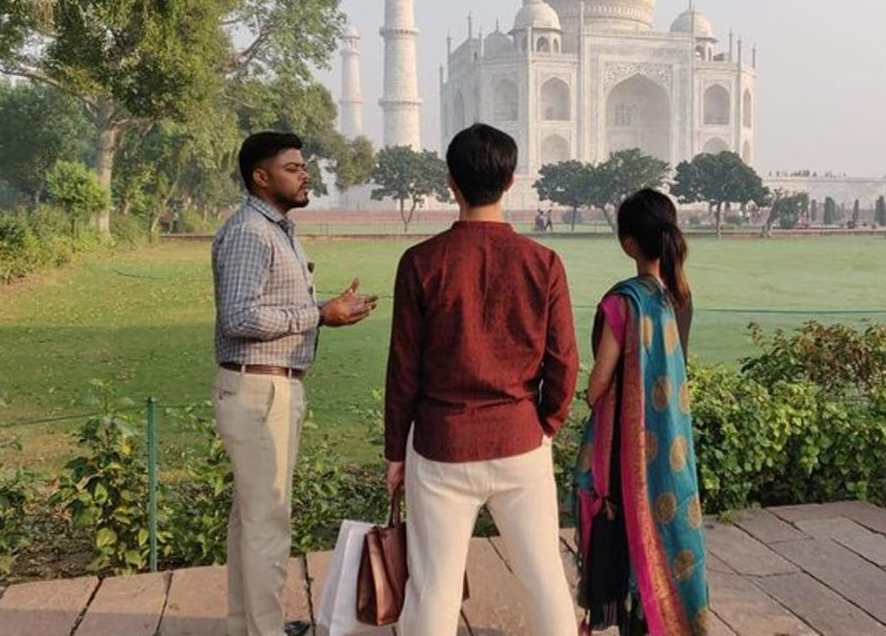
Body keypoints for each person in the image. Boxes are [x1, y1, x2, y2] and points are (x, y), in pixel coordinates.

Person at [385, 123, 579, 636]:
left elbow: (404, 369)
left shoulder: (422, 263)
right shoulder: (543, 263)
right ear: (512, 180)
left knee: (434, 587)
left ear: (451, 181)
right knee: (544, 579)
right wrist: (547, 425)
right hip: (519, 441)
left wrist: (394, 452)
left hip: (443, 444)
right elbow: (564, 361)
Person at [212, 132, 378, 636]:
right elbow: (238, 316)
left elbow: (266, 305)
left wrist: (321, 311)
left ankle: (250, 627)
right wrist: (318, 314)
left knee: (252, 520)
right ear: (261, 177)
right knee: (267, 524)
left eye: (303, 166)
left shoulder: (277, 229)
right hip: (260, 390)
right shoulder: (251, 232)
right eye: (292, 167)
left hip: (268, 386)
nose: (305, 174)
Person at [574, 188, 709, 636]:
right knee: (665, 534)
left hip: (625, 449)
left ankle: (634, 619)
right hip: (670, 444)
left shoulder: (623, 301)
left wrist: (589, 396)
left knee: (626, 534)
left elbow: (599, 384)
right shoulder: (679, 296)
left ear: (628, 242)